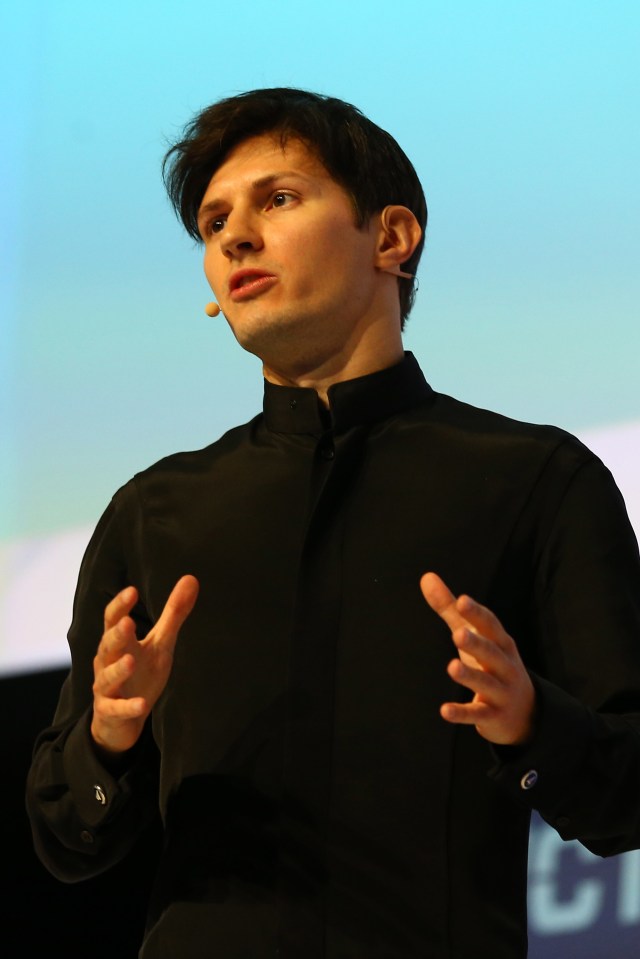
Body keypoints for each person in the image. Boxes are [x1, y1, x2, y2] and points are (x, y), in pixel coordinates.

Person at [26, 88, 640, 959]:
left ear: (391, 238)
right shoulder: (155, 511)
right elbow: (64, 837)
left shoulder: (538, 480)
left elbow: (628, 793)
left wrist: (533, 720)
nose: (235, 236)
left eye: (276, 199)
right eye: (212, 223)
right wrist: (108, 737)